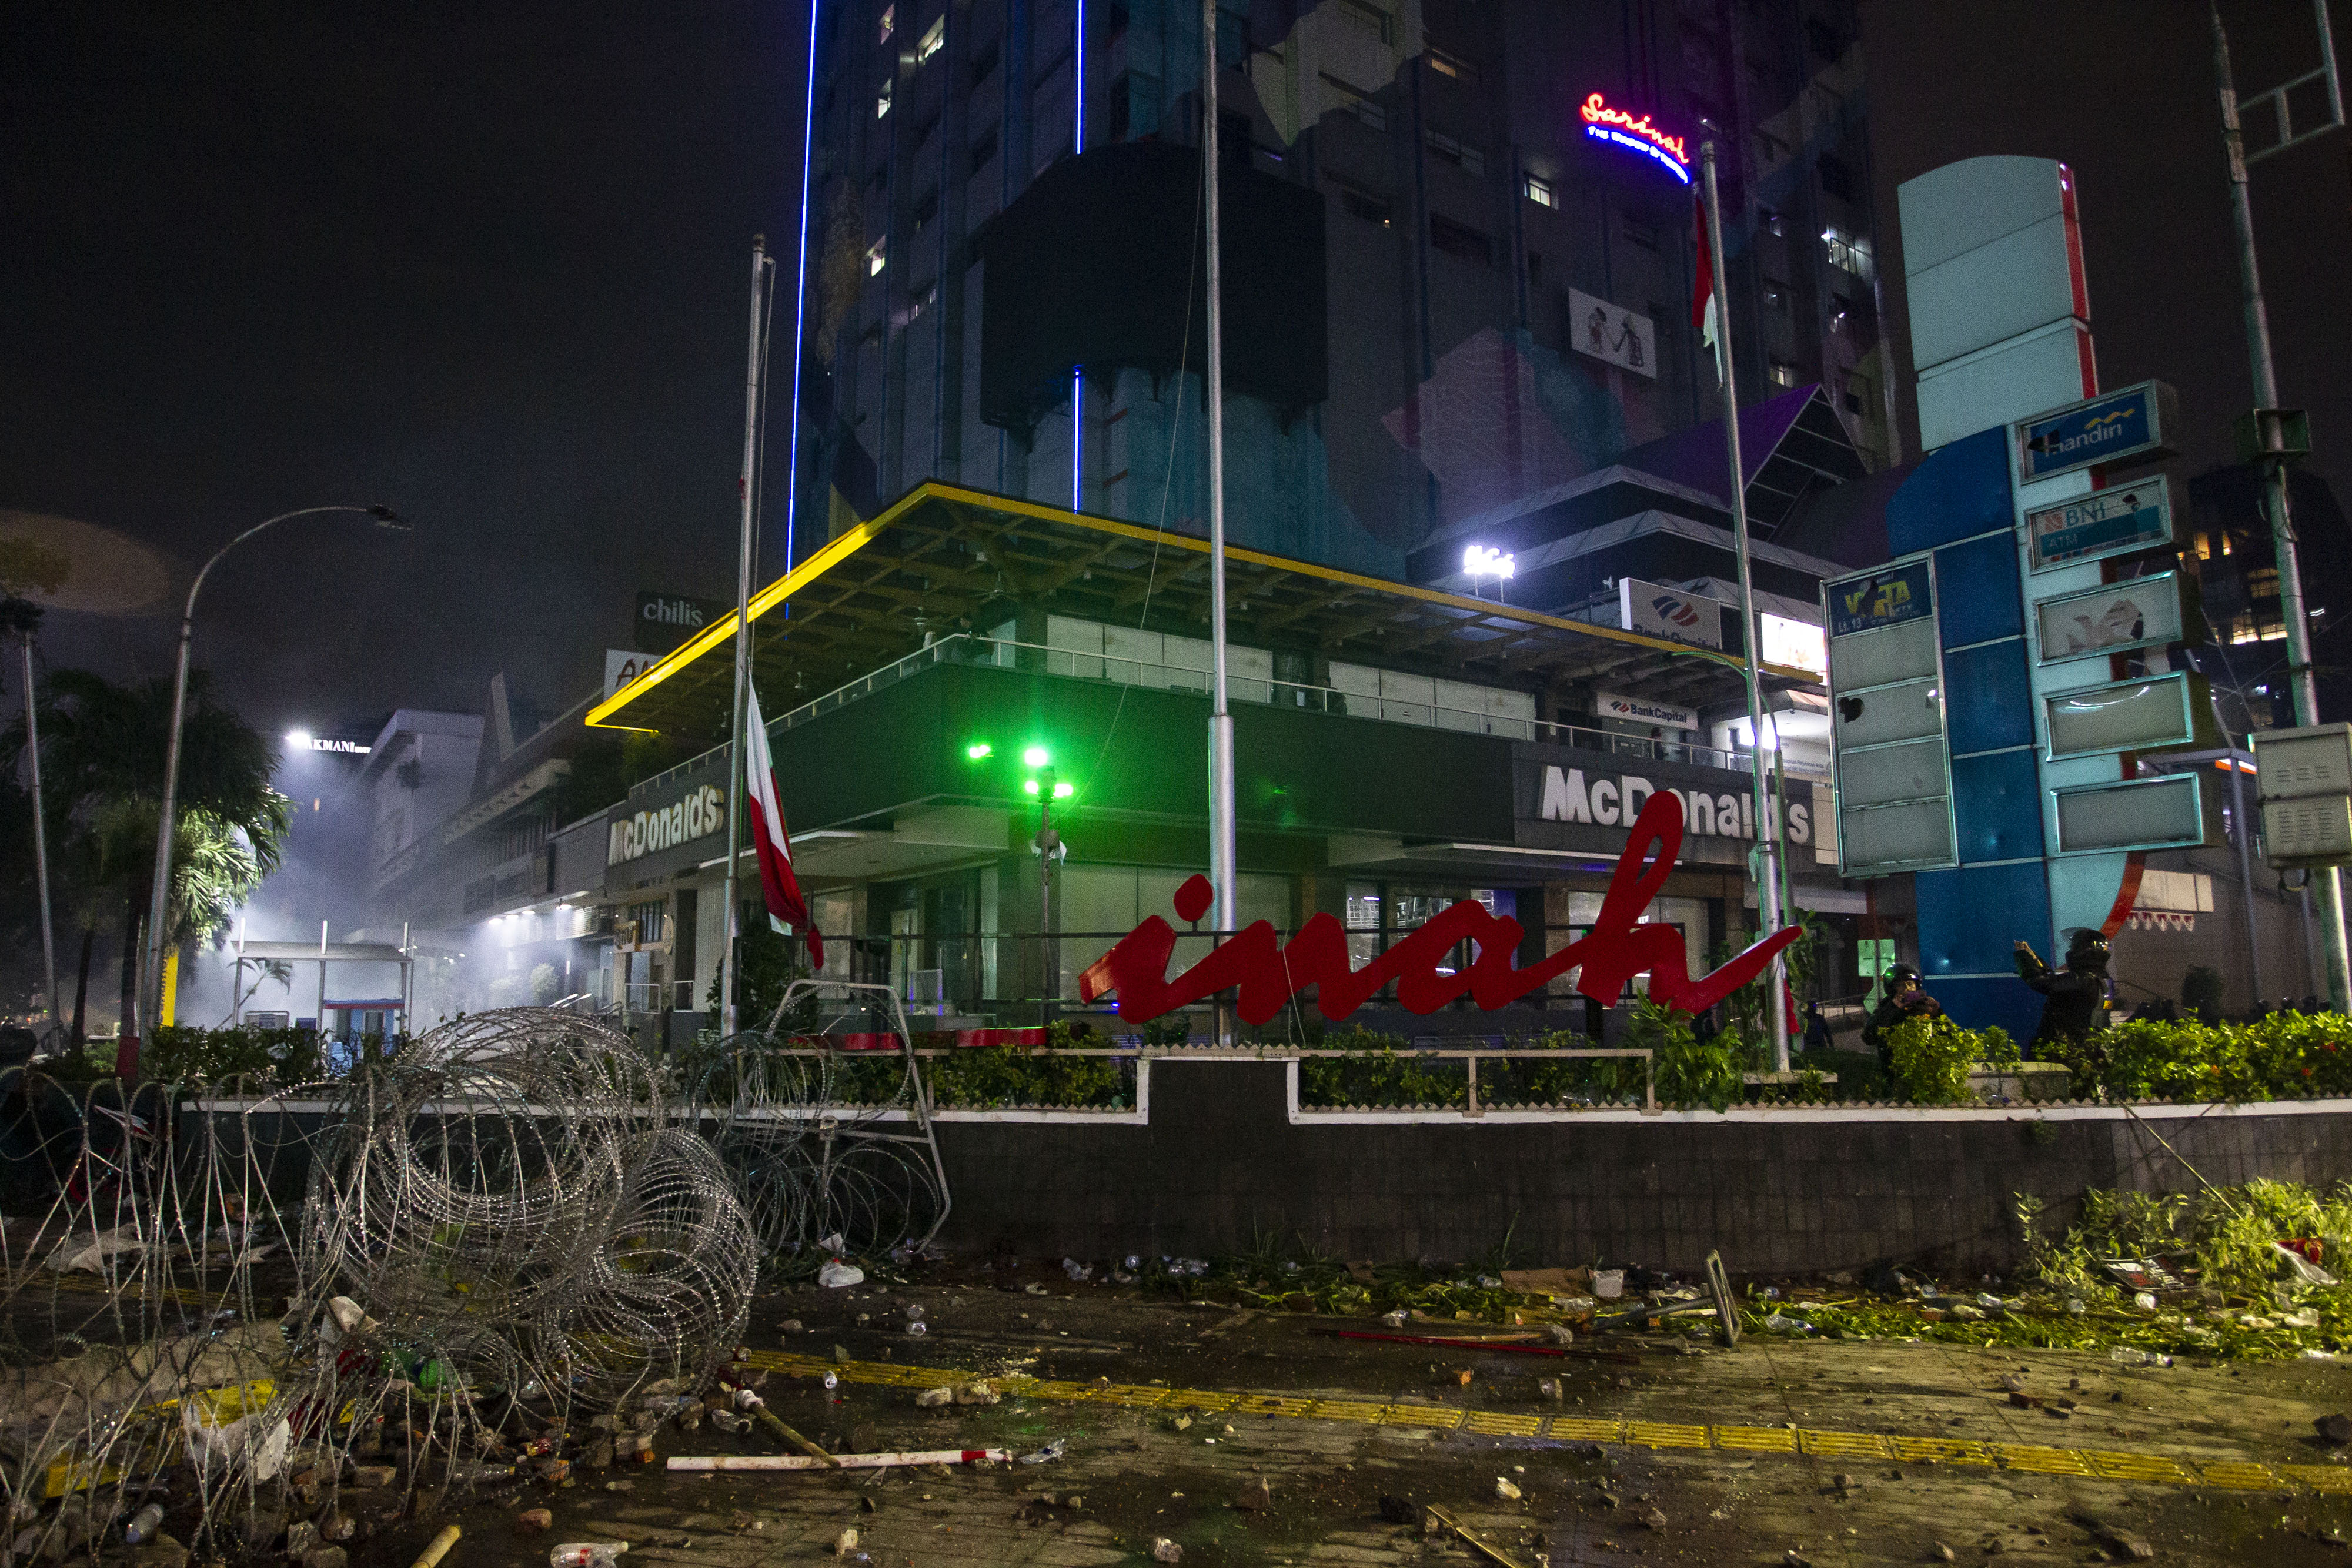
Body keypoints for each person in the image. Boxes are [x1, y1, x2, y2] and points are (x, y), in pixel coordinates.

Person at [2014, 930, 2113, 1051]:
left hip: (2065, 1051)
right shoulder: (2100, 979)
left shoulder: (2083, 980)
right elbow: (2053, 981)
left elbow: (2042, 983)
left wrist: (2024, 958)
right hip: (2085, 1049)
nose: (2071, 952)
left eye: (2074, 948)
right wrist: (2035, 959)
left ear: (2083, 952)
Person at [1862, 964, 1941, 1075]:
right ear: (1893, 988)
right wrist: (1894, 1009)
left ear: (1917, 986)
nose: (1907, 989)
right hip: (1894, 1074)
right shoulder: (1887, 1008)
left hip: (1923, 1074)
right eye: (1901, 985)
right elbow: (1868, 1038)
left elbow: (1948, 1036)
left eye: (1910, 984)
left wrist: (1937, 1014)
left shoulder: (1925, 1008)